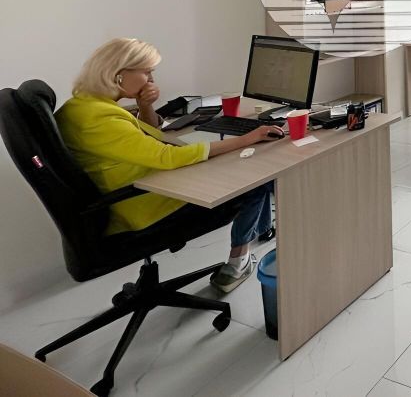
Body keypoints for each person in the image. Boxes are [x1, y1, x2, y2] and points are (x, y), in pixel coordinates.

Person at [56, 38, 284, 292]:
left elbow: (148, 135)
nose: (151, 80)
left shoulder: (80, 106)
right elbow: (167, 156)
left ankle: (261, 232)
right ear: (119, 74)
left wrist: (145, 107)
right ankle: (239, 263)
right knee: (252, 181)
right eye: (146, 72)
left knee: (225, 163)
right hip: (142, 204)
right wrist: (247, 139)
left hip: (128, 191)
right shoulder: (101, 118)